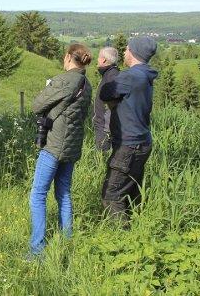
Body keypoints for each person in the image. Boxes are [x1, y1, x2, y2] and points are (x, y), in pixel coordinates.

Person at [29, 43, 93, 256]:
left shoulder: (63, 80)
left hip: (54, 145)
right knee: (63, 193)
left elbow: (37, 105)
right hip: (72, 146)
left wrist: (47, 88)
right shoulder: (87, 83)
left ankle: (37, 249)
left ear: (67, 57)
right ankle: (67, 240)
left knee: (38, 194)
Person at [99, 36, 158, 223]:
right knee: (131, 193)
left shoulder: (129, 76)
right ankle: (137, 231)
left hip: (128, 144)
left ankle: (121, 240)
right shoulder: (146, 75)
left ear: (132, 52)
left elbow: (105, 92)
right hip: (142, 142)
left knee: (111, 195)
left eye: (126, 49)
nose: (123, 52)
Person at [92, 47, 120, 151]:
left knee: (102, 157)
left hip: (105, 127)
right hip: (105, 125)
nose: (97, 60)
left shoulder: (111, 76)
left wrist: (107, 130)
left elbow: (114, 102)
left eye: (99, 57)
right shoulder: (110, 74)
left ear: (103, 60)